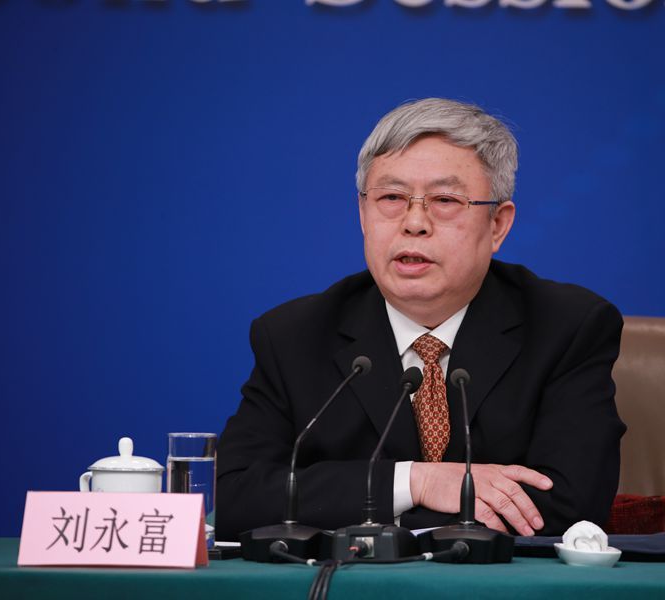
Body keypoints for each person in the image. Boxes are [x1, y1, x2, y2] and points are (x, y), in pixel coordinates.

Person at [217, 98, 626, 541]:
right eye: (391, 198)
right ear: (363, 214)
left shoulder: (567, 327)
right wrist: (415, 481)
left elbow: (570, 507)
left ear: (497, 225)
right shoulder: (295, 336)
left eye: (445, 200)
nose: (414, 222)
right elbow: (234, 498)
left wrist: (365, 515)